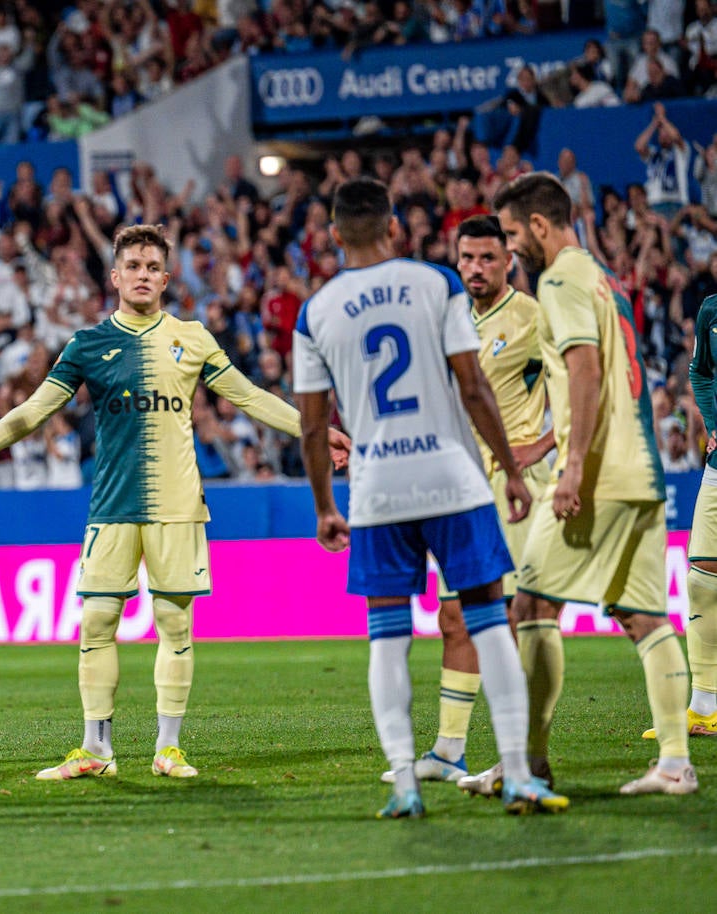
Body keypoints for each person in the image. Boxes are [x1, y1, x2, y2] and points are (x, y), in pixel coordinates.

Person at [0, 223, 351, 781]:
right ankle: (96, 750)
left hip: (178, 504)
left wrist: (313, 432)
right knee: (97, 620)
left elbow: (248, 395)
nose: (143, 275)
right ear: (116, 277)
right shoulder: (88, 345)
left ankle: (168, 748)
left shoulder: (193, 337)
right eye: (134, 266)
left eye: (153, 267)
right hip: (112, 504)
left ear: (166, 278)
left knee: (175, 624)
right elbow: (34, 411)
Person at [293, 178, 567, 818]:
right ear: (394, 228)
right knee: (489, 622)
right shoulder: (435, 285)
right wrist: (512, 468)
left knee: (388, 636)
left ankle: (406, 783)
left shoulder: (318, 310)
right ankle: (520, 775)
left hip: (378, 485)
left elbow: (311, 426)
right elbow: (473, 387)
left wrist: (324, 507)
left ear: (334, 235)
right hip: (452, 475)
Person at [493, 172, 697, 795]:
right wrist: (549, 443)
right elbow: (606, 379)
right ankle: (674, 762)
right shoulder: (600, 278)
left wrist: (572, 464)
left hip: (600, 477)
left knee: (529, 604)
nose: (509, 250)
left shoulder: (558, 280)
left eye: (509, 234)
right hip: (641, 471)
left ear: (537, 225)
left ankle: (528, 760)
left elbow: (586, 370)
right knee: (644, 618)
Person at [378, 215, 553, 786]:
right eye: (466, 258)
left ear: (509, 260)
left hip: (513, 486)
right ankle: (449, 749)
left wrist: (544, 444)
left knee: (508, 617)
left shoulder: (532, 316)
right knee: (455, 617)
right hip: (459, 483)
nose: (475, 268)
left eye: (487, 258)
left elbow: (583, 383)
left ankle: (521, 751)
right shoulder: (442, 318)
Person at [640, 293, 717, 740]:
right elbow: (701, 374)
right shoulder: (711, 309)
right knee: (701, 577)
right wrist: (713, 422)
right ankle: (704, 708)